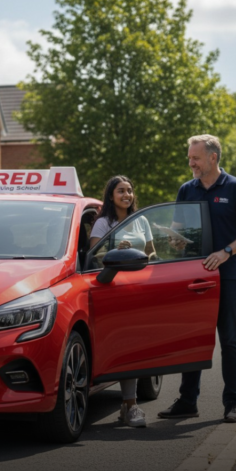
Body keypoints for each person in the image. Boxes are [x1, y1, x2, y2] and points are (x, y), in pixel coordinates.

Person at [159, 135, 236, 424]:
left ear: (213, 158)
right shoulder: (186, 190)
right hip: (194, 275)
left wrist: (227, 251)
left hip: (227, 275)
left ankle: (232, 403)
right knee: (193, 338)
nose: (190, 162)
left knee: (229, 339)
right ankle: (188, 401)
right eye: (190, 157)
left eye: (195, 158)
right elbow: (178, 230)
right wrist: (176, 241)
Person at [89, 175, 154, 427]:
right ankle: (129, 406)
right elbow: (94, 256)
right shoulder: (104, 223)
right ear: (111, 195)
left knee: (136, 345)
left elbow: (150, 254)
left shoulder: (142, 220)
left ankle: (130, 405)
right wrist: (115, 250)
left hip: (139, 289)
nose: (126, 195)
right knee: (123, 343)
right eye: (120, 191)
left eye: (129, 190)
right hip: (113, 288)